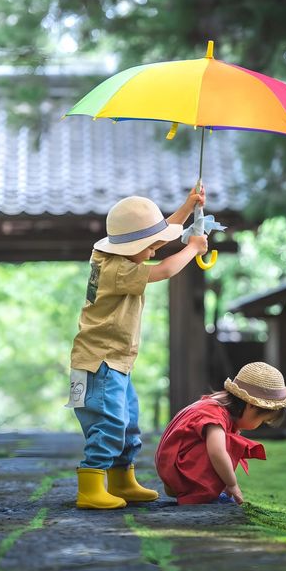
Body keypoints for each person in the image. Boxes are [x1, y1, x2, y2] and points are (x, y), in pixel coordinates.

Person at [67, 190, 208, 510]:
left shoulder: (118, 253)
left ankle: (121, 480)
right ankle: (90, 484)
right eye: (150, 248)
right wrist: (193, 248)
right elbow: (165, 271)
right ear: (130, 246)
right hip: (99, 363)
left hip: (116, 362)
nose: (155, 251)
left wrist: (188, 207)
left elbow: (154, 236)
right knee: (110, 422)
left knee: (129, 422)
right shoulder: (117, 270)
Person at [155, 361, 286, 505]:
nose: (259, 426)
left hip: (174, 465)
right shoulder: (215, 416)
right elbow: (217, 452)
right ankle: (196, 492)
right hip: (178, 468)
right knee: (228, 444)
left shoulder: (215, 405)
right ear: (251, 405)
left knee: (228, 441)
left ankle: (185, 487)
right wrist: (232, 484)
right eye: (262, 421)